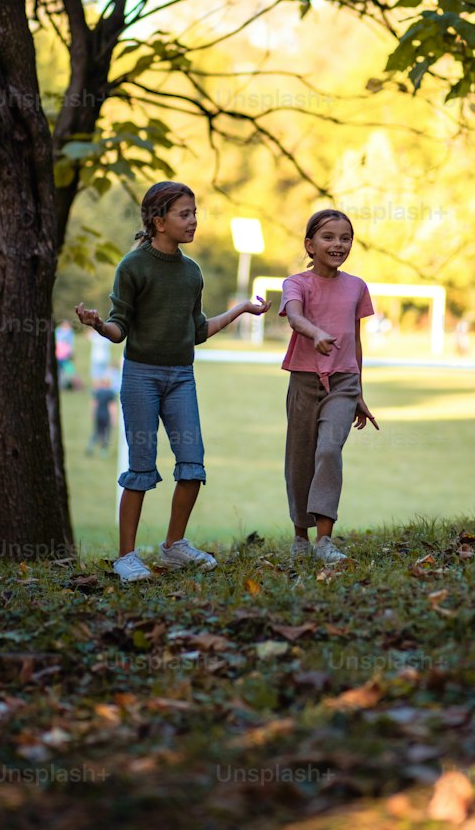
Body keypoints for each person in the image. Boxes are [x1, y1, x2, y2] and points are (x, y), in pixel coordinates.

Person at [76, 180, 270, 582]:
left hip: (182, 377)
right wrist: (98, 325)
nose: (194, 221)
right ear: (158, 221)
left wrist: (240, 310)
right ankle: (126, 557)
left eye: (195, 213)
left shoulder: (191, 273)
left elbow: (198, 330)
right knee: (141, 467)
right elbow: (119, 328)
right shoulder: (133, 267)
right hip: (141, 378)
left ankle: (174, 546)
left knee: (193, 464)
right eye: (185, 214)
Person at [279, 208, 379, 568]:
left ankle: (324, 540)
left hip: (343, 384)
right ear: (310, 245)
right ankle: (300, 536)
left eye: (345, 238)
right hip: (304, 380)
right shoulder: (296, 284)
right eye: (328, 237)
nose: (338, 244)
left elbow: (356, 341)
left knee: (328, 450)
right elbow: (293, 315)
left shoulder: (357, 287)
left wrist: (359, 393)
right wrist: (315, 333)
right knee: (300, 459)